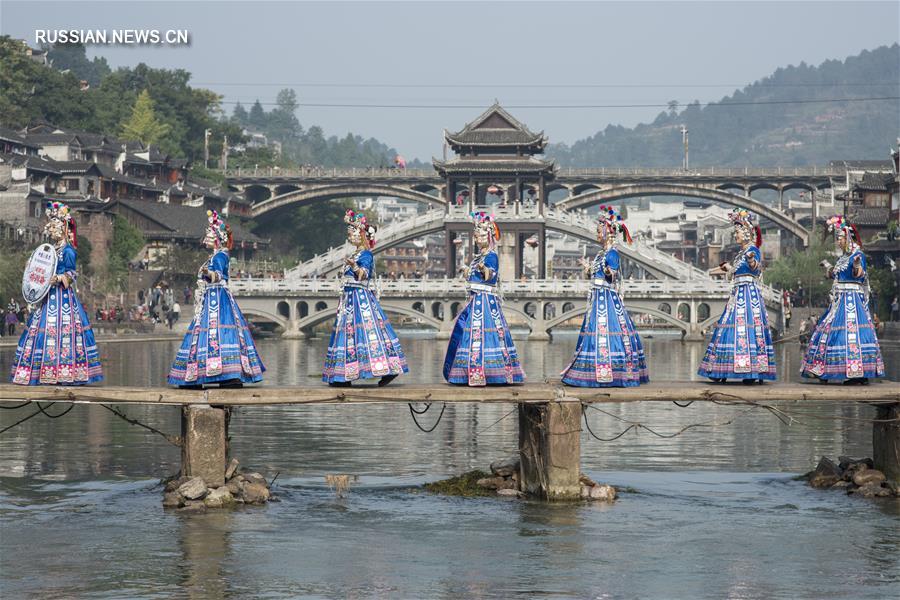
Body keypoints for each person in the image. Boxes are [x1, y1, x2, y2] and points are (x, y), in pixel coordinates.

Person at [168, 210, 265, 387]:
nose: (206, 237)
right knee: (207, 333)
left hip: (218, 299)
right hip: (211, 299)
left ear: (217, 238)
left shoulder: (220, 256)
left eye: (210, 235)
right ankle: (207, 373)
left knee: (216, 332)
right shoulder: (214, 256)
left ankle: (222, 373)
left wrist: (209, 273)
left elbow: (219, 276)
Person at [10, 201, 103, 385]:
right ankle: (41, 372)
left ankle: (65, 372)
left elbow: (71, 273)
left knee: (62, 332)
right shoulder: (51, 249)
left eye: (53, 227)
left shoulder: (68, 250)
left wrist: (59, 278)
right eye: (50, 227)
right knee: (40, 329)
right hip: (48, 296)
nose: (50, 231)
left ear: (62, 229)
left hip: (62, 298)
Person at [561, 205, 648, 387]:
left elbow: (612, 275)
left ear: (608, 232)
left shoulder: (612, 253)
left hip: (606, 298)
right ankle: (591, 370)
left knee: (607, 332)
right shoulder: (601, 254)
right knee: (594, 331)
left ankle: (610, 371)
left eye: (599, 230)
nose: (596, 233)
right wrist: (587, 268)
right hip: (597, 297)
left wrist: (610, 270)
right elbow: (596, 275)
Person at [323, 211, 408, 387]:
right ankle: (344, 374)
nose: (350, 236)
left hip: (360, 300)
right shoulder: (356, 254)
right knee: (349, 336)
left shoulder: (366, 255)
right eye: (350, 233)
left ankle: (387, 370)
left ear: (362, 235)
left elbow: (363, 275)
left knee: (369, 335)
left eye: (353, 233)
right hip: (349, 300)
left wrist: (354, 267)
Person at [443, 212, 525, 386]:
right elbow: (473, 275)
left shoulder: (491, 256)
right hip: (475, 300)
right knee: (470, 333)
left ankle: (490, 372)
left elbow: (490, 275)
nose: (477, 239)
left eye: (480, 236)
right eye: (475, 236)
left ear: (489, 237)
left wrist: (483, 269)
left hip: (485, 302)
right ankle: (469, 371)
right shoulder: (478, 257)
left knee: (485, 334)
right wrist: (466, 269)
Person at [800, 216, 884, 384]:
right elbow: (835, 274)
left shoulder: (857, 255)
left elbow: (858, 275)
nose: (837, 241)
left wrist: (856, 266)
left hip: (851, 301)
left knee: (850, 333)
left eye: (839, 238)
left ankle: (857, 372)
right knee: (826, 329)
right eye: (837, 238)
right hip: (839, 301)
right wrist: (827, 266)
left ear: (847, 237)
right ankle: (823, 368)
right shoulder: (843, 258)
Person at [698, 209, 775, 384]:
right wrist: (728, 269)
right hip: (738, 294)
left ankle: (751, 371)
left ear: (747, 234)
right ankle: (722, 368)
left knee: (746, 328)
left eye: (738, 233)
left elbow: (756, 269)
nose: (736, 236)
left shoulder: (752, 251)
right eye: (735, 233)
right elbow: (737, 272)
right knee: (728, 326)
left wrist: (750, 261)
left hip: (748, 295)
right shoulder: (740, 254)